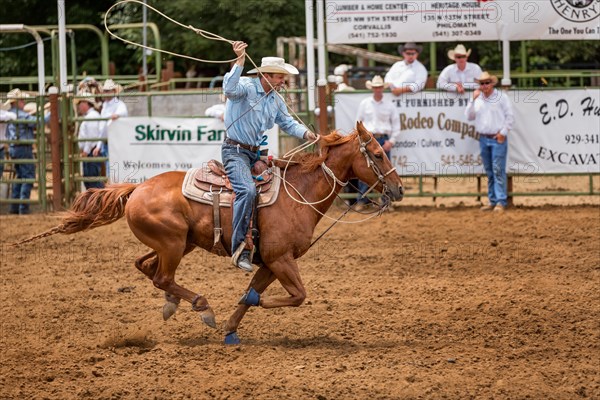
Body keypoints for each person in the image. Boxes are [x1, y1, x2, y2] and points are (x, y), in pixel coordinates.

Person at [222, 41, 317, 272]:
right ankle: (239, 248)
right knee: (247, 190)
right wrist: (239, 61)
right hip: (235, 152)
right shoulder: (245, 86)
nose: (282, 81)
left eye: (283, 77)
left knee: (282, 189)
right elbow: (229, 90)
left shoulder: (275, 99)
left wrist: (307, 134)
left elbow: (287, 122)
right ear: (265, 75)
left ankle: (271, 239)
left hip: (256, 154)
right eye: (278, 77)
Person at [465, 72, 514, 213]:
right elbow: (469, 116)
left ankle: (500, 201)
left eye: (487, 83)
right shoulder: (477, 98)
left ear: (492, 83)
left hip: (496, 138)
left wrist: (502, 133)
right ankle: (494, 200)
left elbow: (510, 117)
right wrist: (472, 100)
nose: (484, 86)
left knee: (497, 170)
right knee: (490, 171)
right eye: (482, 83)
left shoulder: (501, 97)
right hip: (484, 138)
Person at [355, 75, 400, 209]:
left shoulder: (390, 105)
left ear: (382, 88)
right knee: (364, 169)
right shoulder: (365, 103)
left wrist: (391, 141)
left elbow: (397, 125)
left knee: (385, 171)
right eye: (376, 87)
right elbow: (358, 122)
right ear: (373, 89)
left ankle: (386, 201)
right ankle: (362, 200)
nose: (378, 90)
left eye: (379, 87)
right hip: (369, 140)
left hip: (383, 139)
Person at [4, 89, 37, 214]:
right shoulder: (21, 115)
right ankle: (23, 208)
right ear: (16, 102)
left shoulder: (11, 114)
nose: (24, 102)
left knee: (20, 177)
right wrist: (51, 113)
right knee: (28, 177)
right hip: (23, 148)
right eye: (22, 100)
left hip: (14, 148)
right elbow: (39, 122)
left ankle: (14, 207)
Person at [76, 93, 105, 190]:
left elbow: (91, 137)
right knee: (91, 180)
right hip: (91, 152)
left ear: (85, 103)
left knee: (92, 180)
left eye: (80, 103)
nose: (78, 106)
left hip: (91, 152)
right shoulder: (91, 115)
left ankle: (101, 201)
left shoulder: (91, 116)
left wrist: (86, 151)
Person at [99, 79, 128, 173]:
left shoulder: (119, 104)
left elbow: (122, 112)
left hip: (114, 141)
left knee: (111, 167)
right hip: (106, 141)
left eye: (108, 91)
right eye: (105, 91)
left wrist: (117, 115)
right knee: (109, 166)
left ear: (114, 92)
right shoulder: (105, 105)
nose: (105, 93)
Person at [0, 103, 17, 180]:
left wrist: (6, 117)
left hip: (1, 147)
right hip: (2, 145)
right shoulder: (4, 114)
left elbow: (13, 116)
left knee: (1, 168)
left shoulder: (3, 113)